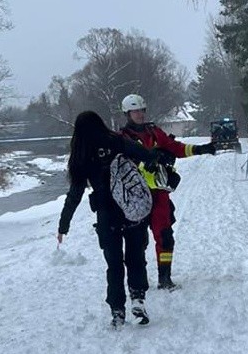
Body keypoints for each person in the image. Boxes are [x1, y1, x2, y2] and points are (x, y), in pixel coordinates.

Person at [57, 110, 167, 328]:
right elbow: (144, 153)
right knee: (136, 258)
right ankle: (138, 298)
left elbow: (74, 195)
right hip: (132, 211)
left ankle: (117, 310)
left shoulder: (81, 155)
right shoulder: (116, 141)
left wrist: (64, 225)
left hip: (107, 217)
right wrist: (158, 157)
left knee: (114, 265)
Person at [120, 93, 216, 290]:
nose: (139, 114)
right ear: (127, 113)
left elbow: (174, 147)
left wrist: (200, 150)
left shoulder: (153, 132)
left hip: (159, 195)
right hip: (136, 197)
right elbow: (122, 164)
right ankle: (138, 283)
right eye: (135, 111)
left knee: (165, 236)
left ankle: (165, 278)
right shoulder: (123, 138)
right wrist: (147, 162)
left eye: (141, 110)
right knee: (137, 243)